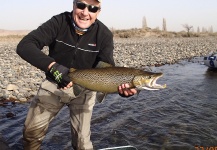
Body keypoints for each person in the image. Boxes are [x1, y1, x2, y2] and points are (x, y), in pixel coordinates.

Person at [17, 0, 137, 149]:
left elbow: (107, 69)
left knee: (82, 144)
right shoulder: (59, 22)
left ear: (98, 12)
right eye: (81, 5)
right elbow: (25, 45)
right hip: (54, 85)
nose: (85, 12)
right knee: (30, 134)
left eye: (93, 8)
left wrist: (121, 90)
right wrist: (53, 67)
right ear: (73, 5)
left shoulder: (104, 35)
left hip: (85, 91)